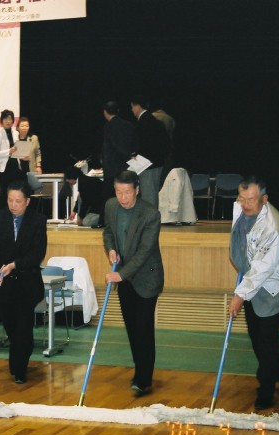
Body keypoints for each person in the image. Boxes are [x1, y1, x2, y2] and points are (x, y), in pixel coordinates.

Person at [227, 176, 279, 410]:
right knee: (255, 334)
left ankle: (266, 390)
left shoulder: (273, 227)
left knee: (266, 340)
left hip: (272, 287)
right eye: (242, 198)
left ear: (264, 199)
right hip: (251, 281)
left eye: (251, 200)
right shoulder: (241, 208)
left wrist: (239, 295)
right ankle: (275, 370)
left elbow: (263, 268)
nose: (245, 204)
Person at [102, 170, 164, 396]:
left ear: (137, 190)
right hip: (125, 278)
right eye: (118, 192)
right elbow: (108, 232)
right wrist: (111, 249)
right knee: (131, 327)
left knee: (143, 328)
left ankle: (144, 379)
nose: (123, 197)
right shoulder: (111, 206)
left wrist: (121, 274)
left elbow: (145, 251)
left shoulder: (150, 214)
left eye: (127, 192)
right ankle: (140, 370)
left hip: (146, 278)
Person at [0, 180, 47, 384]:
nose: (13, 205)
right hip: (4, 284)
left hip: (27, 282)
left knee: (22, 326)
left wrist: (15, 265)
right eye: (10, 200)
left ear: (27, 201)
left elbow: (37, 253)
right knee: (11, 325)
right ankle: (21, 354)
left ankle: (19, 368)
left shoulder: (37, 221)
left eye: (18, 201)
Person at [130, 96, 171, 209]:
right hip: (156, 163)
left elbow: (144, 145)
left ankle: (151, 219)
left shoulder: (144, 123)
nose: (132, 110)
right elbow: (167, 145)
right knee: (151, 196)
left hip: (147, 165)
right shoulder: (155, 122)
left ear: (138, 106)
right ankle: (151, 218)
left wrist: (135, 155)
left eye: (132, 107)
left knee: (149, 198)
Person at [101, 101, 137, 201]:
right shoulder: (128, 125)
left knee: (112, 197)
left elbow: (114, 146)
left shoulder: (108, 126)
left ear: (105, 112)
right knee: (126, 195)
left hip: (111, 168)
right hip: (127, 166)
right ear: (118, 111)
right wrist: (130, 155)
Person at [0, 109, 26, 209]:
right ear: (2, 121)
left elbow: (18, 148)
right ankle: (4, 213)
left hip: (15, 165)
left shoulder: (16, 133)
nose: (8, 121)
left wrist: (23, 155)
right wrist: (9, 151)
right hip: (4, 168)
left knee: (16, 191)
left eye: (10, 119)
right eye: (6, 119)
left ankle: (15, 211)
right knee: (5, 192)